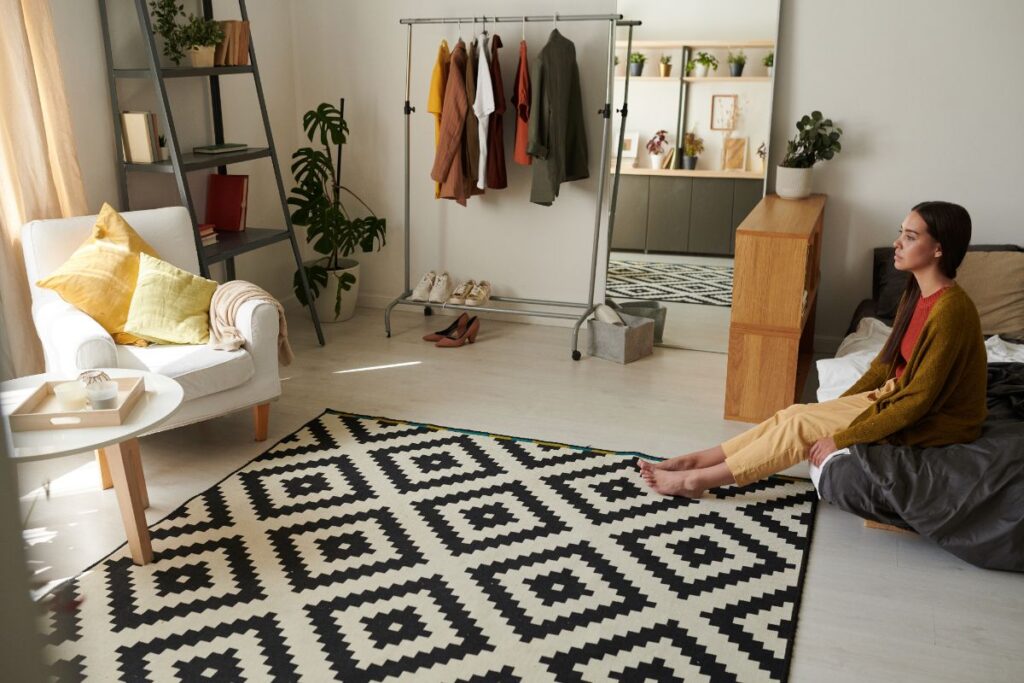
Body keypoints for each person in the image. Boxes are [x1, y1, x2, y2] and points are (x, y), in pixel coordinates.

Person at [639, 201, 988, 497]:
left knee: (800, 427)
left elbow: (919, 401)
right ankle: (700, 459)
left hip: (932, 417)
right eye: (901, 232)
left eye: (910, 237)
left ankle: (696, 480)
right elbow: (885, 367)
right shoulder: (915, 293)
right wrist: (838, 407)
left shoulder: (951, 310)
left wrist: (841, 436)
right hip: (893, 394)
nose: (897, 243)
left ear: (939, 249)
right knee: (792, 414)